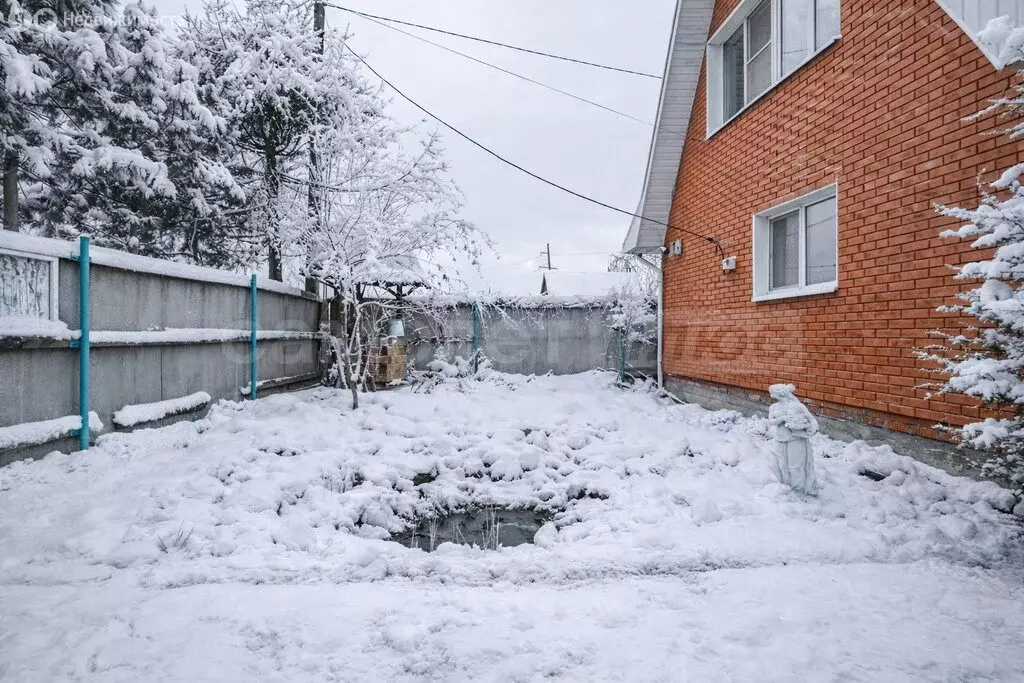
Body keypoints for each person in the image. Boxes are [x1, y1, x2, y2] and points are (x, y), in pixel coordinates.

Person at [767, 384, 818, 494]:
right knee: (777, 464)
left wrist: (807, 429)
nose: (771, 395)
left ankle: (797, 490)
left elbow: (811, 420)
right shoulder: (773, 407)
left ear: (780, 393)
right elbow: (771, 421)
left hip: (795, 439)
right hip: (779, 438)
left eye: (773, 392)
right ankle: (785, 485)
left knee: (794, 466)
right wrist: (781, 419)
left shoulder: (797, 406)